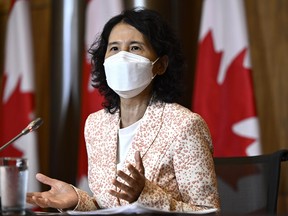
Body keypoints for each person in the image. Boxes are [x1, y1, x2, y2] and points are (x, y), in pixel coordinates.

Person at [27, 8, 220, 212]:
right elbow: (110, 207)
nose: (122, 57)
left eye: (135, 48)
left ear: (160, 65)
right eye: (114, 48)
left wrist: (146, 194)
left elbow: (209, 211)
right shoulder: (96, 125)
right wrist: (77, 199)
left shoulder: (185, 125)